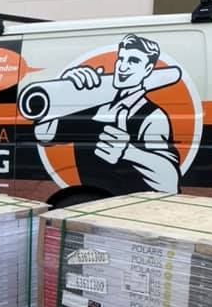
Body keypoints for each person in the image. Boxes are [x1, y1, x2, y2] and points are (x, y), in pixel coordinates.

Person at [34, 33, 181, 193]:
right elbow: (43, 134)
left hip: (129, 208)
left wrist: (129, 152)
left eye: (133, 61)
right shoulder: (93, 104)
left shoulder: (151, 116)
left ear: (147, 69)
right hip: (88, 198)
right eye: (121, 59)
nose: (123, 67)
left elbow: (170, 182)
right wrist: (62, 90)